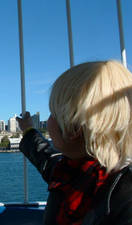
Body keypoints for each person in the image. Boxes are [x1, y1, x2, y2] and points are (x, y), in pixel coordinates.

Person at [16, 60, 132, 225]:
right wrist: (28, 130)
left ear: (72, 129)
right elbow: (45, 157)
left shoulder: (124, 200)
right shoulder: (72, 170)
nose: (48, 121)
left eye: (52, 114)